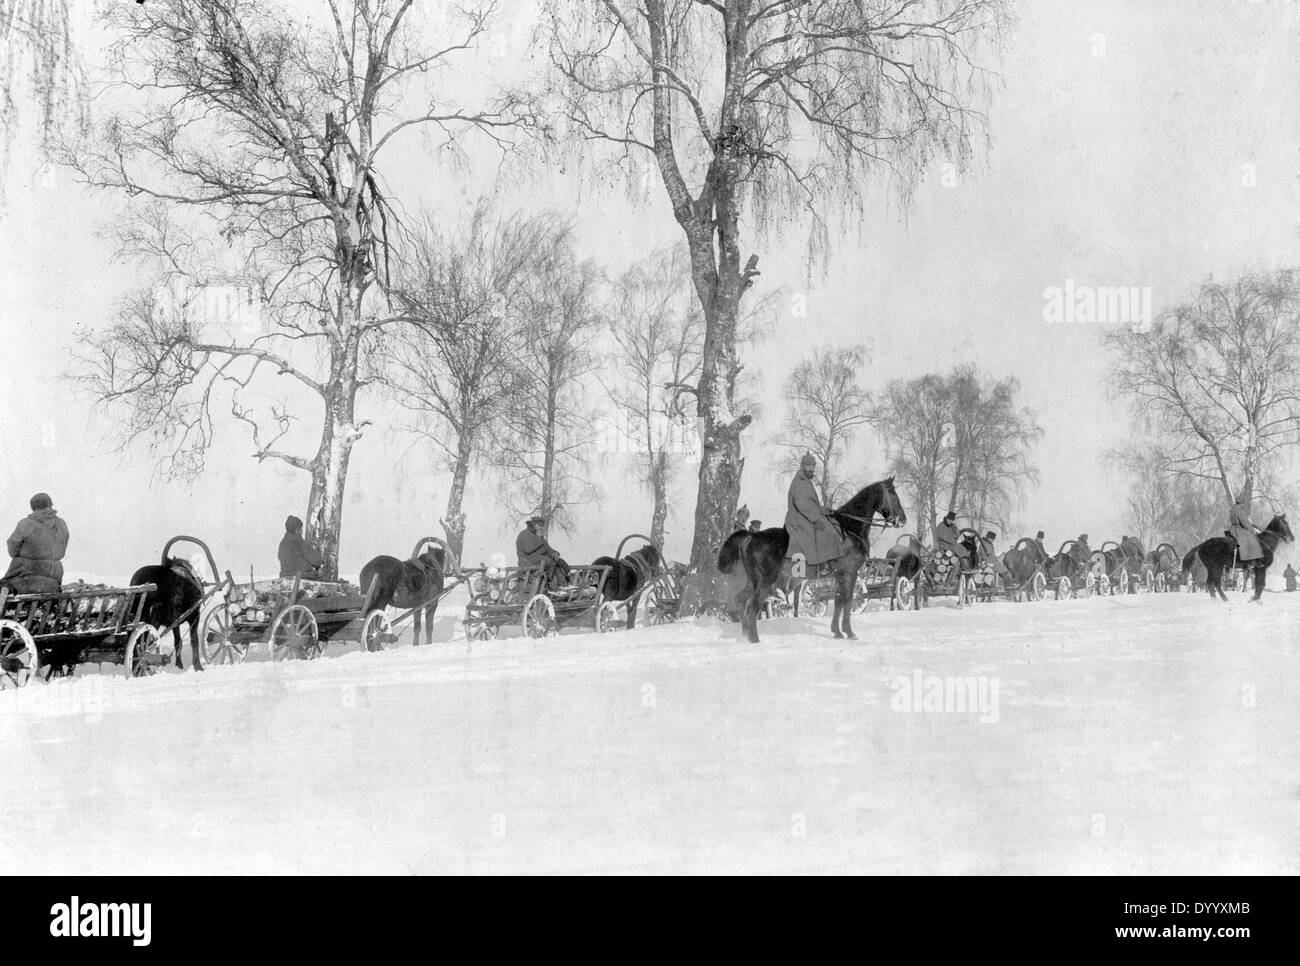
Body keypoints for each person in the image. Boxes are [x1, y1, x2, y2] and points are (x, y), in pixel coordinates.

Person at [784, 453, 842, 577]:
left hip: (803, 515)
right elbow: (802, 505)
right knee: (827, 531)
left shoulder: (806, 481)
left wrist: (826, 511)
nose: (811, 469)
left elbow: (812, 504)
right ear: (802, 466)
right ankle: (823, 565)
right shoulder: (800, 482)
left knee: (832, 524)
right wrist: (816, 519)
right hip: (798, 519)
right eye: (809, 466)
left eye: (813, 466)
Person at [3, 492, 69, 594]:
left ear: (34, 508)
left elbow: (13, 549)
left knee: (5, 586)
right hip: (54, 575)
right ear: (50, 505)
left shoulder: (26, 523)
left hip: (26, 572)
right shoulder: (61, 524)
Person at [516, 516, 564, 583]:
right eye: (540, 526)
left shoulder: (539, 537)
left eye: (542, 526)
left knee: (559, 562)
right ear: (534, 525)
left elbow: (547, 548)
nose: (542, 528)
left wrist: (554, 553)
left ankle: (562, 584)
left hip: (539, 561)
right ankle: (548, 583)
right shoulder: (524, 535)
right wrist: (538, 538)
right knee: (549, 561)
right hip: (526, 561)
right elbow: (528, 549)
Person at [1228, 485, 1265, 569]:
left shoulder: (1233, 509)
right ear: (1241, 503)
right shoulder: (1239, 510)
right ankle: (1250, 561)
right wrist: (1252, 530)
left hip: (1232, 528)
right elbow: (1245, 522)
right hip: (1238, 530)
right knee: (1252, 539)